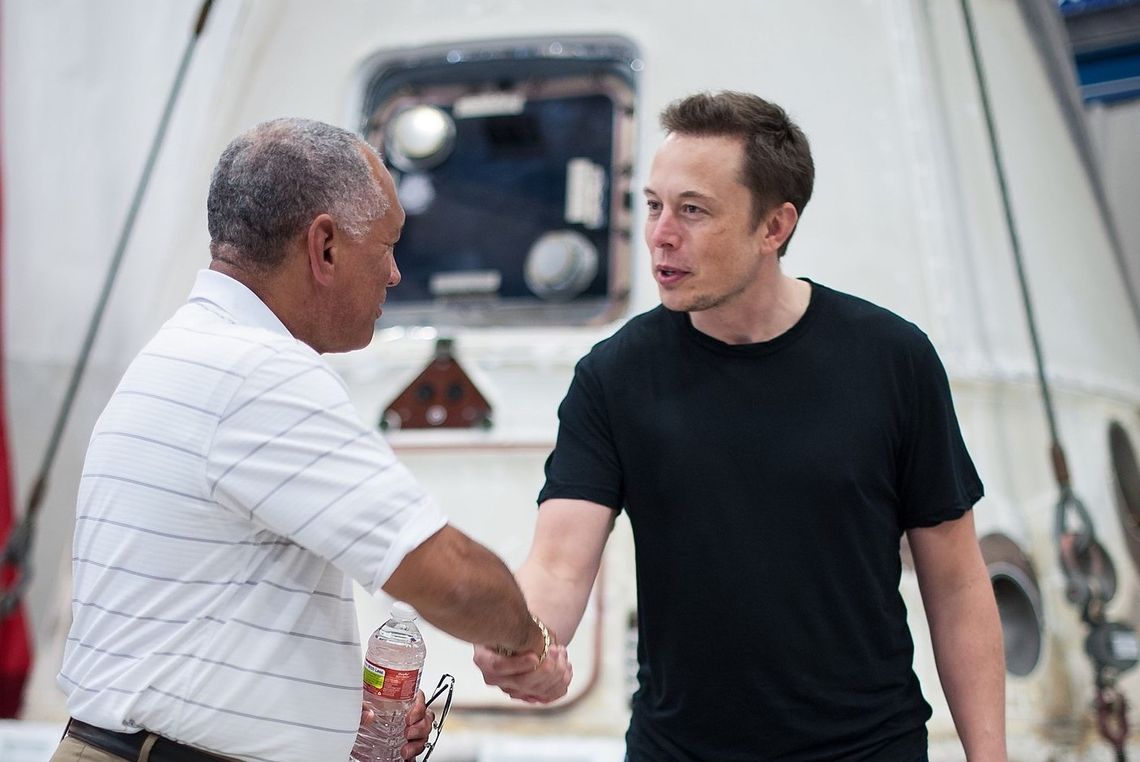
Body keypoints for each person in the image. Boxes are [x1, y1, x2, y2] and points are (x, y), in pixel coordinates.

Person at [474, 91, 1007, 760]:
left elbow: (956, 583)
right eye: (654, 206)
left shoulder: (892, 360)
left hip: (868, 747)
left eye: (693, 210)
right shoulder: (614, 377)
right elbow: (556, 563)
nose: (661, 234)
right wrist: (526, 642)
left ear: (773, 228)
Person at [52, 118, 570, 762]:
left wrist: (325, 707)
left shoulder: (180, 355)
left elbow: (198, 605)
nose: (395, 274)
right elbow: (448, 577)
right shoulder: (259, 372)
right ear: (324, 246)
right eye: (386, 246)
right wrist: (530, 642)